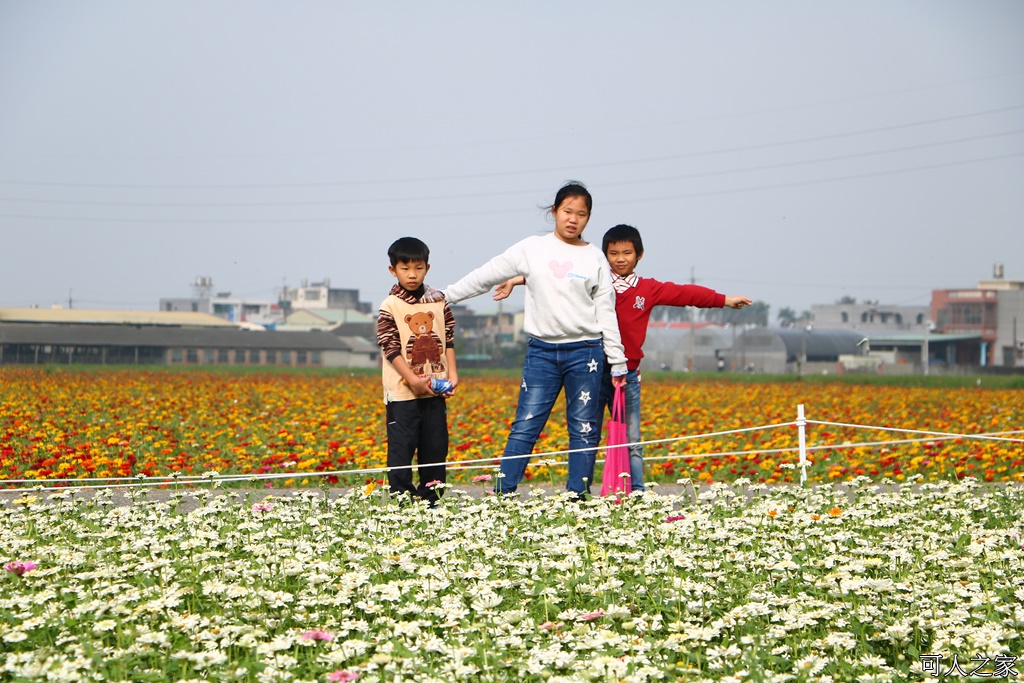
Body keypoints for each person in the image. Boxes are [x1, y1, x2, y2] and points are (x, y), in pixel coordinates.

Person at [495, 223, 751, 492]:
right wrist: (516, 279)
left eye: (626, 253)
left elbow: (686, 294)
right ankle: (580, 492)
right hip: (589, 372)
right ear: (604, 255)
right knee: (586, 434)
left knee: (632, 438)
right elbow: (557, 278)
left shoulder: (648, 289)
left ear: (639, 255)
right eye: (613, 253)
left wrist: (724, 300)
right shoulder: (595, 280)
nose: (620, 259)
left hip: (627, 376)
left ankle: (635, 492)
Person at [441, 181, 626, 497]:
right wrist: (444, 296)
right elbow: (487, 274)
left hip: (586, 353)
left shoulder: (595, 258)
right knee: (525, 424)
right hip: (542, 352)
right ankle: (503, 492)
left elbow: (606, 311)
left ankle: (577, 496)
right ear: (554, 212)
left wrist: (617, 359)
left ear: (588, 218)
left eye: (581, 214)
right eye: (567, 211)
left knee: (583, 430)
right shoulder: (531, 248)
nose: (573, 219)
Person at [376, 237, 458, 505]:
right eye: (405, 268)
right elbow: (390, 348)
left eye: (418, 268)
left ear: (427, 268)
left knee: (435, 449)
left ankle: (430, 502)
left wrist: (452, 375)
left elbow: (448, 340)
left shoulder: (438, 301)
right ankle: (402, 501)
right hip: (403, 394)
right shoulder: (390, 305)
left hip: (434, 392)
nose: (412, 274)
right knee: (401, 451)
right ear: (393, 270)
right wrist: (412, 379)